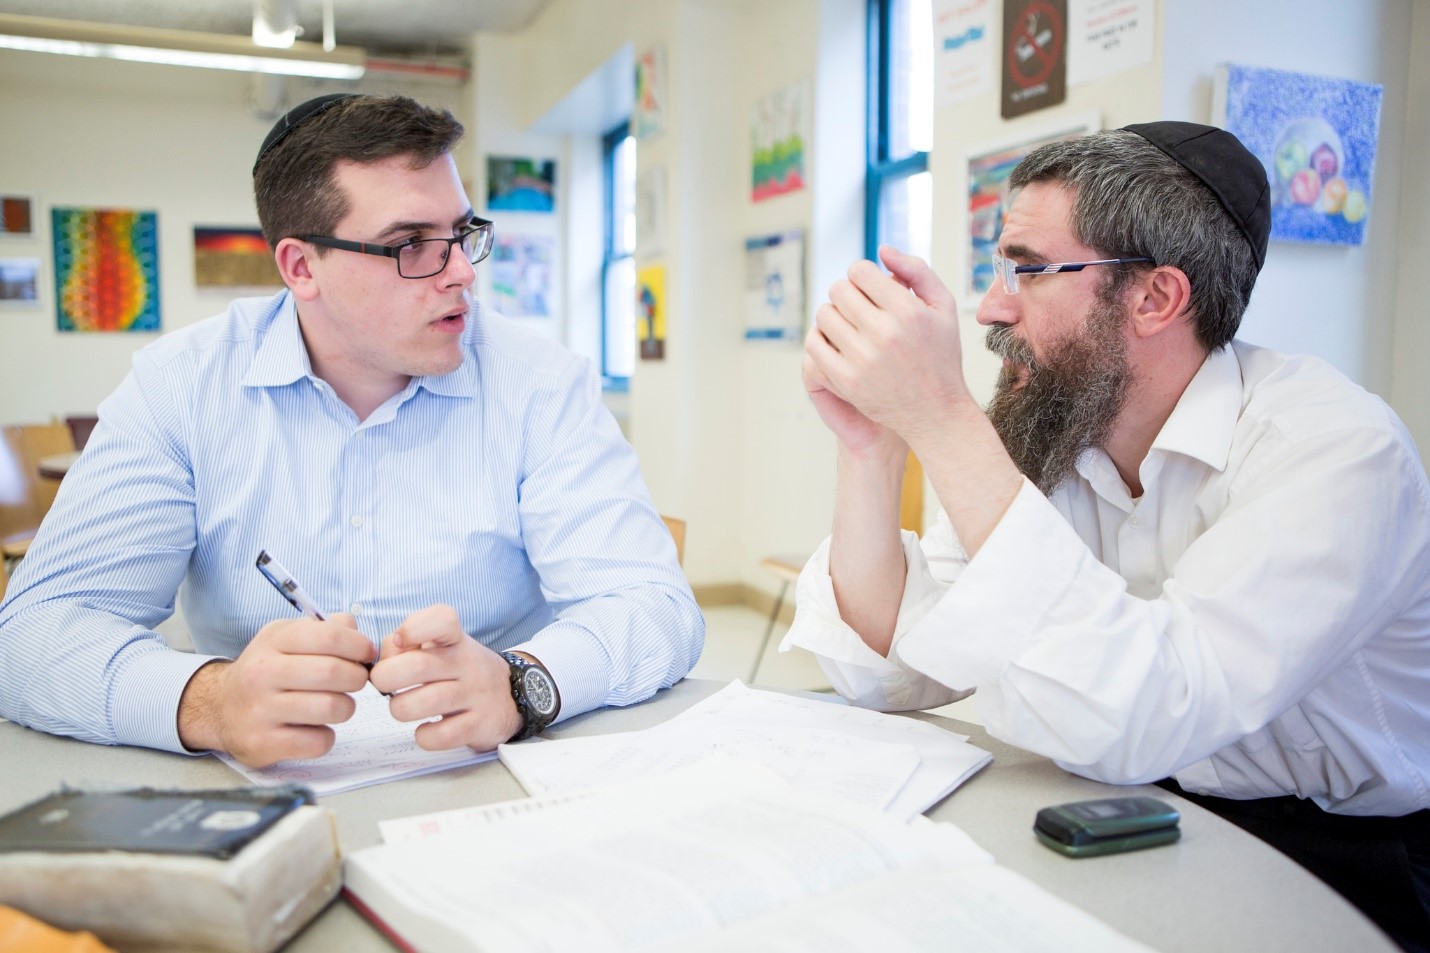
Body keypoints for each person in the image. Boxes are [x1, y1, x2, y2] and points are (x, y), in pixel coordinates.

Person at [790, 121, 1429, 950]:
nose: (991, 306)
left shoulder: (1335, 448)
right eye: (997, 267)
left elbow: (1154, 708)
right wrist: (872, 447)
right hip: (1137, 803)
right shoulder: (1061, 429)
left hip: (1343, 856)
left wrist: (942, 417)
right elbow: (895, 667)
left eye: (1027, 268)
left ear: (1156, 298)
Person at [0, 93, 702, 770]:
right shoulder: (181, 387)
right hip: (261, 793)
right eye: (411, 245)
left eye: (461, 234)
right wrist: (208, 701)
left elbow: (654, 606)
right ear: (302, 267)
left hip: (491, 781)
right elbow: (31, 636)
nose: (460, 272)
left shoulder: (541, 384)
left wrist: (522, 682)